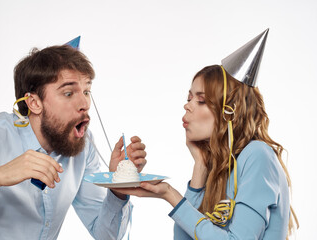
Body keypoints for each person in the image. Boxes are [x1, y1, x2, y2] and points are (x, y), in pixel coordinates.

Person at [114, 29, 298, 239]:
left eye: (201, 101)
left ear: (230, 112)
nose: (187, 105)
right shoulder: (219, 167)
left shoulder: (257, 155)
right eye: (189, 97)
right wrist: (199, 169)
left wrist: (170, 195)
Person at [0, 37, 147, 239]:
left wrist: (118, 190)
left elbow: (106, 235)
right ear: (34, 103)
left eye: (86, 91)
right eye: (68, 93)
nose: (85, 103)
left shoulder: (84, 146)